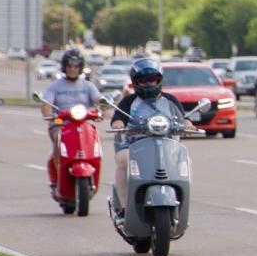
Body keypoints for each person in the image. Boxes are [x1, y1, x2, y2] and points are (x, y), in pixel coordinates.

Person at [109, 58, 194, 218]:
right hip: (135, 146)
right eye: (143, 80)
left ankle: (182, 204)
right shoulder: (129, 101)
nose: (148, 84)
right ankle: (124, 208)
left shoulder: (170, 101)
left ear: (159, 79)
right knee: (122, 160)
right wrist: (118, 124)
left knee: (186, 161)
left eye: (152, 79)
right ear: (135, 82)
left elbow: (182, 118)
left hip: (168, 145)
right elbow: (117, 118)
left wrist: (188, 123)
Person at [39, 49, 104, 191]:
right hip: (61, 124)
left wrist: (102, 109)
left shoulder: (88, 86)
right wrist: (48, 114)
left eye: (75, 66)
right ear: (64, 67)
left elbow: (98, 100)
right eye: (69, 66)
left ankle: (92, 166)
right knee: (58, 139)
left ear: (80, 67)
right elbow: (46, 104)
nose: (72, 69)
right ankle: (59, 176)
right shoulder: (55, 86)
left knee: (94, 140)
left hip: (83, 123)